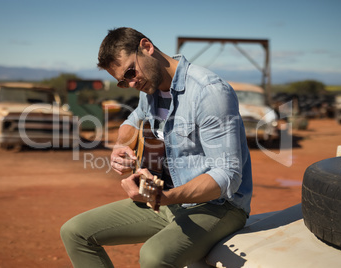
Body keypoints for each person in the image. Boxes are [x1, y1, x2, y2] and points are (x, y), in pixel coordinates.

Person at [60, 27, 253, 268]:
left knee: (153, 256)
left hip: (218, 206)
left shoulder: (209, 92)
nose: (131, 83)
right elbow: (133, 120)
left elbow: (227, 176)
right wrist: (121, 146)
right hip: (167, 201)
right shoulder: (149, 88)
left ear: (146, 47)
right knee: (75, 232)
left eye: (130, 72)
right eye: (123, 81)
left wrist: (167, 197)